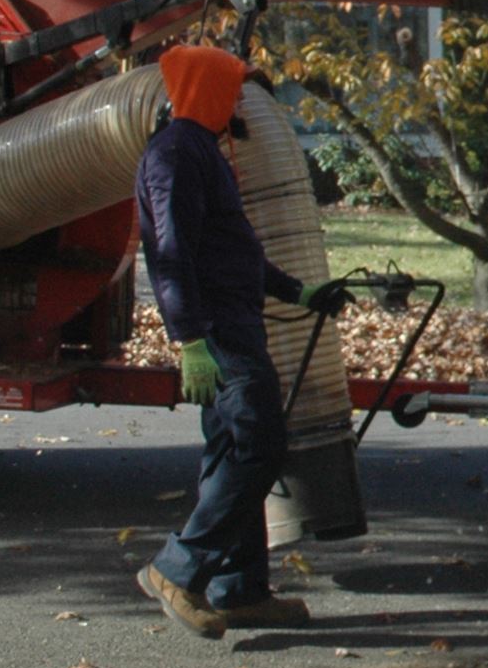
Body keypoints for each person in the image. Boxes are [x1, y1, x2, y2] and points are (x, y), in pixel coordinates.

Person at [133, 43, 347, 638]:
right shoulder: (176, 153)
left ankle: (240, 590)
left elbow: (235, 253)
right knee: (259, 447)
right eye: (232, 87)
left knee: (232, 454)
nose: (239, 99)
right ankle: (178, 568)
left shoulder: (203, 149)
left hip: (232, 323)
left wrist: (300, 293)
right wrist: (190, 341)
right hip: (218, 334)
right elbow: (171, 255)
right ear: (205, 89)